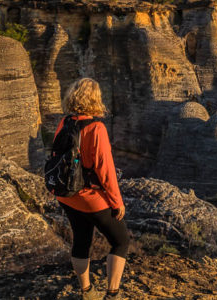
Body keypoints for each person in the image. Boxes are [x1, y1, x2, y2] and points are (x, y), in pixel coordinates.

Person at [54, 78, 130, 300]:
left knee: (81, 239)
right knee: (121, 241)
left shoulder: (64, 122)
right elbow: (106, 171)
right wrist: (117, 203)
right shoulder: (96, 128)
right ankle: (112, 294)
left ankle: (86, 292)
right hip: (90, 198)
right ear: (95, 99)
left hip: (67, 195)